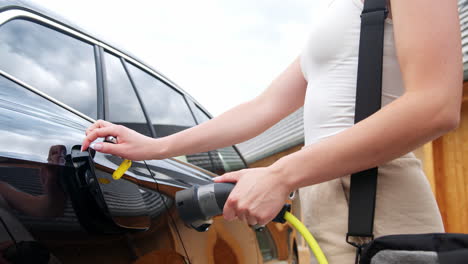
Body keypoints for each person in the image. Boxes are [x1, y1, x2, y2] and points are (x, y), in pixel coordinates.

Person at [82, 0, 462, 262]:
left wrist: (281, 173)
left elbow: (435, 104)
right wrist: (156, 147)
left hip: (373, 197)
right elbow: (263, 108)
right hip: (323, 196)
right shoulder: (338, 11)